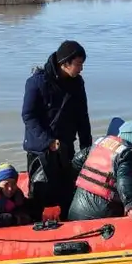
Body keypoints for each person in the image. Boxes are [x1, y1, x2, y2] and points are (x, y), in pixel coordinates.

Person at [22, 40, 93, 218]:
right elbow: (28, 116)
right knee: (39, 193)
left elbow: (83, 117)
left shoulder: (78, 84)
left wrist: (87, 150)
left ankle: (69, 227)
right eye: (78, 64)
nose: (81, 69)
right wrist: (48, 141)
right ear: (65, 63)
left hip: (66, 147)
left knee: (68, 192)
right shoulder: (36, 82)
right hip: (40, 149)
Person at [68, 121, 132, 221]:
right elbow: (125, 180)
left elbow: (76, 161)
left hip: (75, 209)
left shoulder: (100, 143)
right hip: (100, 213)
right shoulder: (128, 153)